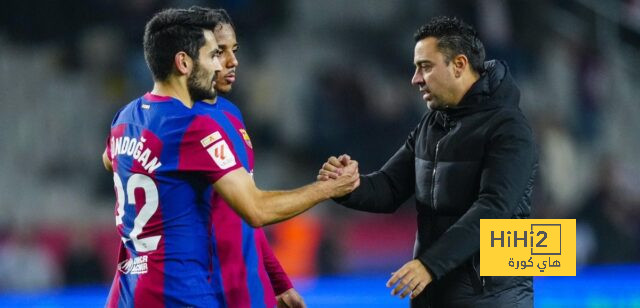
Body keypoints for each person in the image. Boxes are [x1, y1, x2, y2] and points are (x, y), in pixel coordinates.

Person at [102, 7, 359, 307]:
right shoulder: (192, 126)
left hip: (129, 291)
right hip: (182, 292)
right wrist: (327, 188)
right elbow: (255, 209)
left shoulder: (126, 117)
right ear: (184, 62)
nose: (223, 63)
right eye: (213, 54)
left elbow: (110, 161)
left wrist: (276, 280)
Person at [319, 16, 536, 307]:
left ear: (459, 65)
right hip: (434, 294)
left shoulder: (509, 127)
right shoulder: (432, 124)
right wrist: (348, 186)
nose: (416, 79)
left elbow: (493, 210)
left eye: (425, 67)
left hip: (492, 297)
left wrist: (429, 265)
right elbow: (390, 187)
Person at [193, 8, 305, 308]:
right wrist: (328, 189)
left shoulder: (230, 113)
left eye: (235, 50)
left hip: (251, 290)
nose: (233, 62)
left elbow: (246, 216)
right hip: (206, 293)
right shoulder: (179, 123)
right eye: (219, 52)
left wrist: (278, 282)